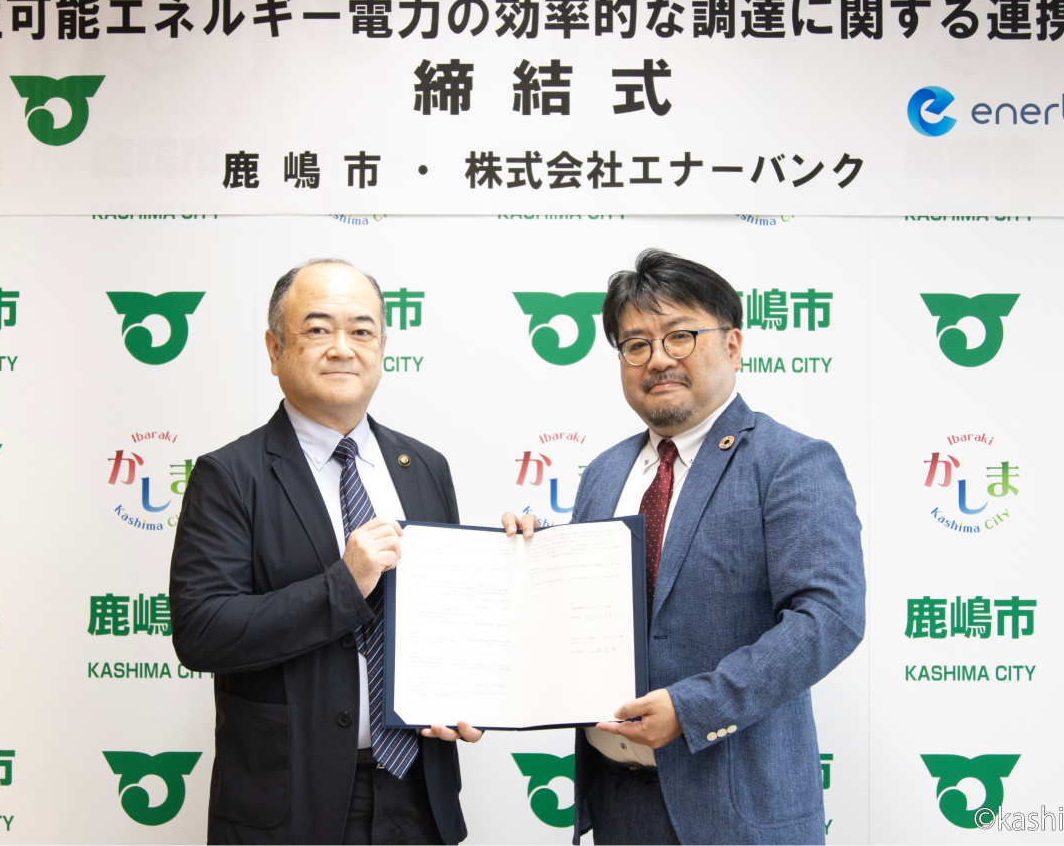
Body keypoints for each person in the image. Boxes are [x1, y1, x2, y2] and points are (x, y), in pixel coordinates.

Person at [503, 249, 865, 846]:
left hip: (737, 811)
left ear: (733, 345)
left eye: (680, 336)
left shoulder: (790, 461)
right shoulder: (605, 472)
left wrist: (694, 707)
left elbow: (830, 617)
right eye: (636, 344)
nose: (658, 359)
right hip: (617, 807)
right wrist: (530, 561)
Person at [171, 259, 480, 846]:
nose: (343, 348)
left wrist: (471, 696)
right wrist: (345, 582)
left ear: (383, 347)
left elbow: (450, 620)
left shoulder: (425, 467)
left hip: (418, 795)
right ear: (275, 349)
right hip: (290, 805)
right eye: (317, 329)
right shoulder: (230, 476)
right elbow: (202, 631)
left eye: (362, 331)